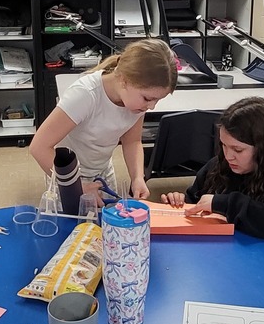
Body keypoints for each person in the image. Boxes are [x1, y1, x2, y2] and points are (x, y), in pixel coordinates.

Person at [30, 38, 177, 202]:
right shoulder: (85, 94)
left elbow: (132, 141)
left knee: (106, 216)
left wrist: (137, 178)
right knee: (73, 218)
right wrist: (76, 186)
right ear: (124, 80)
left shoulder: (136, 102)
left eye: (157, 100)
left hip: (102, 172)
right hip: (67, 175)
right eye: (148, 99)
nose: (152, 107)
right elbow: (39, 147)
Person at [161, 96, 264, 240]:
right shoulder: (217, 166)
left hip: (262, 255)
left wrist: (227, 204)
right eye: (223, 145)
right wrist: (180, 203)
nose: (228, 156)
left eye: (238, 150)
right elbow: (195, 200)